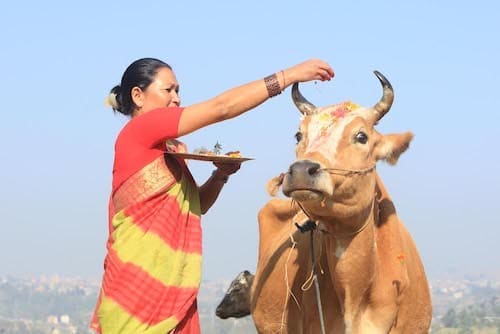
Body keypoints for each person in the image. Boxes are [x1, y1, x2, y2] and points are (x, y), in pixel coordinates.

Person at [90, 57, 334, 334]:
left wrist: (220, 175)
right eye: (168, 90)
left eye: (178, 91)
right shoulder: (139, 131)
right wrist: (289, 75)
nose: (176, 99)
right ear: (138, 96)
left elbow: (197, 205)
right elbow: (222, 108)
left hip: (174, 297)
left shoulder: (170, 150)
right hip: (136, 295)